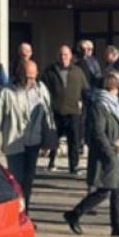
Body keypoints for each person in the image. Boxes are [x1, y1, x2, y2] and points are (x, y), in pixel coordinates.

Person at [63, 72, 119, 237]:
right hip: (107, 154)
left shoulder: (113, 103)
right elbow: (98, 132)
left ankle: (118, 226)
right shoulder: (100, 104)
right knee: (105, 189)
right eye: (118, 87)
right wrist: (110, 150)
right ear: (112, 88)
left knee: (117, 190)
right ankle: (75, 213)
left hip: (117, 151)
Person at [0, 61, 54, 211]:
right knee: (16, 181)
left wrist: (48, 140)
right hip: (14, 143)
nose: (29, 81)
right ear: (20, 74)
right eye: (26, 77)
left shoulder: (41, 90)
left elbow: (48, 116)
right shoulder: (7, 92)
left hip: (34, 141)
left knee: (28, 182)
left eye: (32, 77)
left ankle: (25, 213)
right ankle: (16, 214)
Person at [42, 45, 89, 176]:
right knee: (54, 138)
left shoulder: (78, 71)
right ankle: (52, 162)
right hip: (56, 111)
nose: (63, 57)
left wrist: (84, 105)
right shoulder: (50, 71)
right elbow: (43, 90)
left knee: (73, 140)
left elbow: (85, 90)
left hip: (74, 112)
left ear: (71, 56)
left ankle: (73, 166)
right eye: (61, 55)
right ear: (58, 56)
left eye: (66, 54)